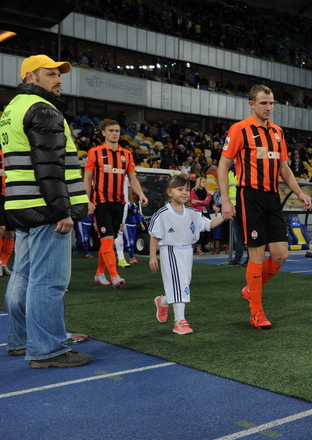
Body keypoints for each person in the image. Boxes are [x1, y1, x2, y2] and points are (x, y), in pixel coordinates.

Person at [1, 54, 92, 367]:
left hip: (21, 205)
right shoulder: (42, 109)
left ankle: (22, 340)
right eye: (50, 74)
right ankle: (48, 349)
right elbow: (50, 168)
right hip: (44, 209)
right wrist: (61, 211)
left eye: (58, 74)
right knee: (48, 281)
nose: (58, 79)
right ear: (31, 77)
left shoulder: (12, 108)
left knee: (23, 276)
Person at [217, 85, 312, 329]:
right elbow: (223, 164)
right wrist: (225, 200)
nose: (268, 108)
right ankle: (256, 313)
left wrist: (299, 192)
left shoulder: (278, 132)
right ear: (251, 104)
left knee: (280, 255)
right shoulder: (240, 129)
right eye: (263, 103)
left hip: (272, 197)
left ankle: (251, 289)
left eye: (271, 103)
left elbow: (283, 168)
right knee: (257, 255)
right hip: (249, 196)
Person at [148, 174, 225, 335]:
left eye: (187, 190)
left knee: (183, 284)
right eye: (180, 189)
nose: (184, 192)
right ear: (170, 192)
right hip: (170, 250)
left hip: (187, 251)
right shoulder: (162, 213)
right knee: (179, 284)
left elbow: (208, 224)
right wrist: (153, 257)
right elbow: (154, 236)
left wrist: (224, 217)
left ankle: (163, 302)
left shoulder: (192, 213)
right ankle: (179, 321)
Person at [84, 120, 148, 288]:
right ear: (103, 133)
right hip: (101, 202)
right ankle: (114, 275)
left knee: (109, 239)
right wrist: (87, 200)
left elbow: (132, 178)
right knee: (107, 238)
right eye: (111, 130)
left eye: (117, 131)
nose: (114, 133)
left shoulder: (127, 154)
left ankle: (99, 273)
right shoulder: (95, 152)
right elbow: (88, 178)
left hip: (119, 203)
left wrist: (141, 194)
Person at [189, 176, 212, 254]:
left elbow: (207, 202)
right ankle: (195, 246)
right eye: (203, 182)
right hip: (196, 212)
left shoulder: (207, 192)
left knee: (205, 229)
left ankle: (201, 245)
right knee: (197, 229)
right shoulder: (193, 191)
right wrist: (202, 201)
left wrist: (198, 201)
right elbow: (192, 202)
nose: (205, 183)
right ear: (199, 182)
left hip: (204, 212)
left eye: (205, 182)